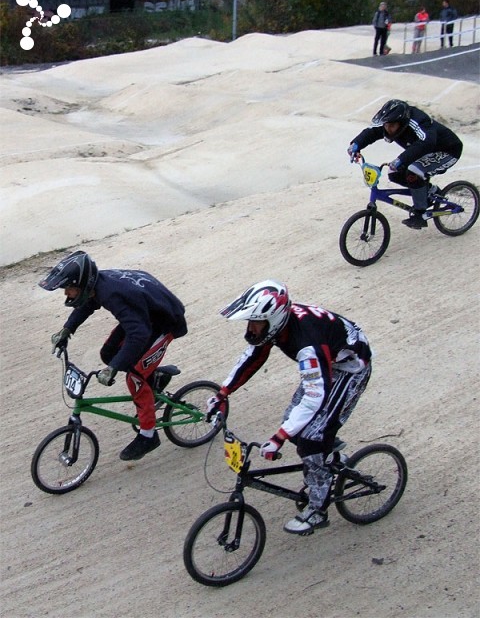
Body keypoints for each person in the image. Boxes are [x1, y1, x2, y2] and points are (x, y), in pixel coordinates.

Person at [206, 280, 372, 536]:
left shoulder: (308, 346)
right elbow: (253, 357)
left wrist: (279, 437)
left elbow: (314, 398)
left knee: (310, 439)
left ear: (273, 320)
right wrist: (223, 392)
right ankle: (329, 455)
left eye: (256, 322)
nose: (251, 328)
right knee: (295, 424)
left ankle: (318, 509)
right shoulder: (278, 325)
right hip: (327, 361)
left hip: (348, 369)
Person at [39, 251, 188, 461]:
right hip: (143, 317)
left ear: (82, 284)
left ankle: (148, 435)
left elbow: (139, 335)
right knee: (109, 354)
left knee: (134, 377)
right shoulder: (97, 285)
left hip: (164, 324)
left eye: (69, 289)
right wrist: (67, 330)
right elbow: (88, 305)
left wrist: (115, 369)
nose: (67, 295)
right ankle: (155, 379)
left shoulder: (112, 294)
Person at [347, 99, 463, 229]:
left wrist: (401, 159)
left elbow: (427, 142)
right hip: (424, 152)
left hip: (447, 151)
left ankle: (420, 214)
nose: (388, 129)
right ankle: (430, 191)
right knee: (394, 174)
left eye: (391, 126)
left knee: (414, 171)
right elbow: (373, 132)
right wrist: (356, 145)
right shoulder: (391, 124)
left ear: (402, 122)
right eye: (386, 125)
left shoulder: (419, 121)